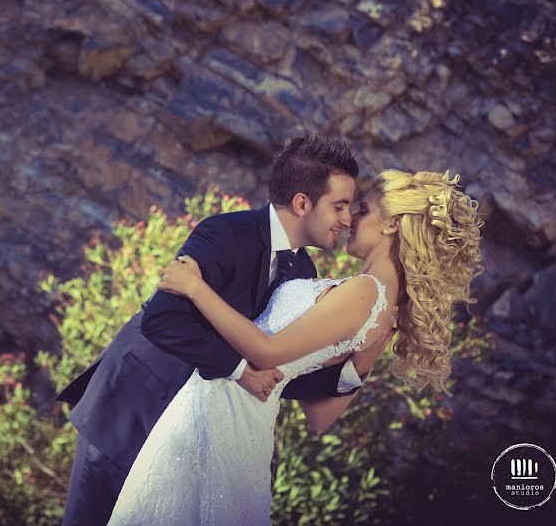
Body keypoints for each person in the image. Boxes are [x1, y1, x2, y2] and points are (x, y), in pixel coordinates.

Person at [106, 169, 483, 525]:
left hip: (221, 410)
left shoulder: (365, 292)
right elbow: (319, 417)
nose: (350, 219)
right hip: (244, 422)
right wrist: (359, 366)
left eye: (363, 210)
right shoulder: (383, 310)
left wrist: (194, 288)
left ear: (392, 224)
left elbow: (266, 353)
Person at [57, 135, 395, 525]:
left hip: (192, 435)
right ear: (302, 203)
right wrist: (240, 370)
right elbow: (162, 320)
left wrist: (357, 365)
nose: (347, 219)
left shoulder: (303, 273)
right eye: (339, 206)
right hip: (134, 407)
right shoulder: (224, 232)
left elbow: (279, 374)